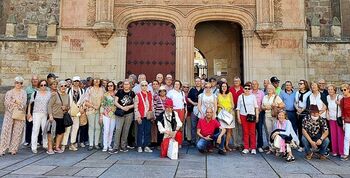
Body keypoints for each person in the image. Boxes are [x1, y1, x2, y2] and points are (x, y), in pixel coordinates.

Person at [0, 76, 27, 156]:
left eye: (20, 83)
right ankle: (2, 149)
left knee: (17, 132)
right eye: (17, 82)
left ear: (22, 84)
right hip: (9, 114)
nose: (18, 84)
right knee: (6, 131)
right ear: (14, 83)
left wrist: (15, 101)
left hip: (19, 114)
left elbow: (23, 104)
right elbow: (7, 103)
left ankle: (13, 149)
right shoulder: (9, 92)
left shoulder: (24, 93)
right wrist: (17, 104)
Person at [110, 79, 135, 154]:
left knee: (126, 130)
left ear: (130, 85)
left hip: (129, 113)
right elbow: (115, 102)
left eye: (127, 84)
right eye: (125, 84)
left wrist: (129, 107)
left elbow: (135, 103)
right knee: (118, 129)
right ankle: (115, 147)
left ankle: (123, 146)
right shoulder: (119, 92)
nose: (126, 86)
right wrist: (122, 107)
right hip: (120, 113)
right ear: (123, 85)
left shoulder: (132, 93)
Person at [27, 80, 51, 154]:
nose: (43, 86)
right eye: (41, 85)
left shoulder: (49, 94)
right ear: (39, 86)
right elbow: (30, 104)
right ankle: (33, 147)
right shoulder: (35, 93)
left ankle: (45, 144)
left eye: (45, 85)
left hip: (45, 114)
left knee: (44, 130)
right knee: (35, 130)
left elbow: (51, 104)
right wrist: (28, 113)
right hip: (36, 113)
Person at [62, 76, 85, 151]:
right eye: (75, 81)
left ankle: (72, 143)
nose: (76, 83)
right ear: (72, 82)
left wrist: (82, 108)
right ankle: (64, 144)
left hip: (78, 112)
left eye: (77, 81)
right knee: (67, 128)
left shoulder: (82, 91)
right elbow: (64, 99)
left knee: (75, 128)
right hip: (69, 111)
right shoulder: (68, 90)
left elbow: (83, 101)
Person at [236, 83, 259, 154]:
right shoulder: (240, 97)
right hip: (243, 116)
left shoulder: (253, 97)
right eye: (245, 88)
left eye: (249, 89)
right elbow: (238, 108)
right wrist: (238, 118)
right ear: (243, 89)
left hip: (251, 116)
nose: (247, 90)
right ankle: (246, 147)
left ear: (250, 89)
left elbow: (256, 107)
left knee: (252, 132)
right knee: (245, 132)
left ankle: (253, 148)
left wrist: (257, 117)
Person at [48, 81, 70, 153]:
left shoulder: (67, 96)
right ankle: (50, 148)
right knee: (51, 133)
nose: (63, 87)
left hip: (62, 117)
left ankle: (57, 147)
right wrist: (50, 115)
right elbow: (49, 105)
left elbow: (68, 107)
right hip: (54, 117)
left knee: (60, 133)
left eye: (65, 86)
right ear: (59, 87)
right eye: (61, 86)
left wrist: (66, 108)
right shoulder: (55, 95)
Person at [262, 84, 285, 151]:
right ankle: (270, 147)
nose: (269, 90)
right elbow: (262, 106)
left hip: (274, 116)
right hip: (267, 116)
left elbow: (283, 105)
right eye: (268, 88)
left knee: (275, 131)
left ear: (273, 90)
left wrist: (276, 105)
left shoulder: (276, 97)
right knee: (268, 132)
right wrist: (265, 108)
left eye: (270, 89)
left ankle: (276, 147)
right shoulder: (265, 97)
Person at [84, 78, 104, 150]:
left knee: (98, 127)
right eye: (95, 79)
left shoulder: (102, 90)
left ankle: (96, 143)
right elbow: (85, 101)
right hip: (90, 110)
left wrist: (100, 107)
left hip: (99, 110)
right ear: (93, 81)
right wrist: (93, 106)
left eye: (98, 79)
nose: (97, 81)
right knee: (92, 127)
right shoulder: (89, 89)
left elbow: (103, 101)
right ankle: (91, 144)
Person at [134, 81, 154, 153]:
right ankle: (139, 146)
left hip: (148, 116)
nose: (144, 86)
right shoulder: (138, 95)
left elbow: (152, 105)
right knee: (140, 131)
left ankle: (146, 146)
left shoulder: (150, 94)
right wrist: (138, 117)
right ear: (140, 86)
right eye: (142, 85)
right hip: (141, 116)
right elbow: (136, 107)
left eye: (146, 85)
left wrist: (152, 116)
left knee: (147, 131)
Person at [326, 84, 343, 157]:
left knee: (340, 136)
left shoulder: (339, 97)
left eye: (331, 89)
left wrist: (339, 104)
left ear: (335, 90)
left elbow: (345, 107)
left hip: (339, 118)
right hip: (331, 119)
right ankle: (335, 151)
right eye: (329, 89)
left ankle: (341, 152)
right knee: (333, 135)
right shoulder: (327, 97)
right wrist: (327, 114)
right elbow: (327, 107)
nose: (330, 91)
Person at [217, 82, 235, 152]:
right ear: (220, 87)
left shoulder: (230, 94)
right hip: (222, 114)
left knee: (229, 130)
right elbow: (217, 104)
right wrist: (221, 106)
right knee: (222, 130)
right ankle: (222, 146)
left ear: (227, 87)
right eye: (222, 86)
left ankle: (226, 145)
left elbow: (232, 104)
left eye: (225, 86)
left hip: (229, 114)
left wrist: (230, 109)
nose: (224, 88)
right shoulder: (218, 95)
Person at [294, 79, 311, 151]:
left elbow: (308, 104)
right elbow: (295, 102)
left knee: (306, 130)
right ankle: (301, 145)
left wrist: (301, 110)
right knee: (300, 129)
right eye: (299, 83)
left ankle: (307, 145)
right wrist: (297, 109)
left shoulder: (309, 93)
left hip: (305, 113)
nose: (300, 85)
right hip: (298, 113)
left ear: (305, 85)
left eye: (301, 83)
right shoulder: (297, 92)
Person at [100, 81, 117, 152]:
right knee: (106, 130)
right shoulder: (105, 94)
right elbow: (102, 104)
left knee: (111, 130)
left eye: (111, 85)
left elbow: (117, 104)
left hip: (113, 114)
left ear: (113, 86)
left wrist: (112, 109)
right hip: (106, 113)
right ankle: (105, 145)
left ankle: (109, 144)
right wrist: (101, 114)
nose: (110, 87)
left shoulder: (116, 94)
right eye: (109, 86)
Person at [187, 77, 203, 145]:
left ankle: (200, 140)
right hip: (194, 109)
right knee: (193, 126)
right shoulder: (192, 90)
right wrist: (193, 103)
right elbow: (188, 98)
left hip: (201, 110)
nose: (198, 82)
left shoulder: (203, 90)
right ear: (195, 82)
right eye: (196, 81)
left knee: (201, 126)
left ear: (200, 82)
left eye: (199, 81)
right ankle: (193, 141)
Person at [229, 77, 244, 148]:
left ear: (240, 82)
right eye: (235, 81)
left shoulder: (243, 90)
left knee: (240, 127)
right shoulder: (230, 89)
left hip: (241, 111)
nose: (236, 82)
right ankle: (235, 143)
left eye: (237, 81)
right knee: (234, 127)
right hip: (232, 110)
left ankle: (240, 142)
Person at [24, 75, 39, 146]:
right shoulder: (28, 89)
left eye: (36, 79)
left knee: (38, 125)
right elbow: (25, 101)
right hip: (30, 108)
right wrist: (26, 112)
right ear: (31, 81)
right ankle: (27, 140)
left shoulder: (42, 88)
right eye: (33, 79)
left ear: (38, 80)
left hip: (39, 109)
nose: (35, 81)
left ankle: (38, 140)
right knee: (29, 124)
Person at [251, 80, 265, 152]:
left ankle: (260, 146)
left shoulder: (261, 93)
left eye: (255, 84)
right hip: (251, 114)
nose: (254, 85)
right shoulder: (249, 92)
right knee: (252, 130)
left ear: (258, 85)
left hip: (260, 113)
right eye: (252, 84)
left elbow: (263, 102)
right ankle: (252, 145)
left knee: (259, 130)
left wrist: (260, 109)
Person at [340, 84, 350, 160]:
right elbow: (342, 112)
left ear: (348, 89)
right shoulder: (342, 100)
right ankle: (346, 154)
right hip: (347, 121)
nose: (343, 91)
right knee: (346, 137)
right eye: (342, 90)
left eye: (344, 90)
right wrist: (343, 122)